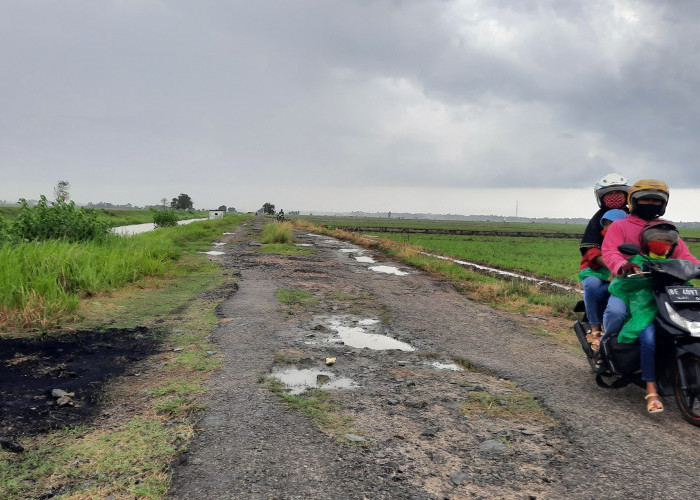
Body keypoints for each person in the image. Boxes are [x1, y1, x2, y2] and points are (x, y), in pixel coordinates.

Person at [606, 220, 685, 413]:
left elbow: (690, 272)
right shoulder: (638, 262)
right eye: (657, 239)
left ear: (674, 244)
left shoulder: (677, 264)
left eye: (667, 240)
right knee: (648, 339)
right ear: (646, 242)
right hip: (646, 311)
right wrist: (629, 271)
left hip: (670, 309)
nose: (662, 243)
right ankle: (651, 391)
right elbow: (620, 285)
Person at [578, 208, 627, 348]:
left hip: (620, 272)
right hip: (595, 270)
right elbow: (592, 254)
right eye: (606, 224)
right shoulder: (598, 236)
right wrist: (615, 265)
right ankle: (595, 327)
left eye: (613, 223)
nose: (608, 227)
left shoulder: (628, 237)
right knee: (592, 285)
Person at [580, 173, 630, 258]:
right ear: (602, 197)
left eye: (618, 192)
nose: (614, 196)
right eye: (610, 193)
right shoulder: (597, 218)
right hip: (602, 263)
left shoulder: (632, 215)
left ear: (626, 195)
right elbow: (590, 249)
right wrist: (609, 263)